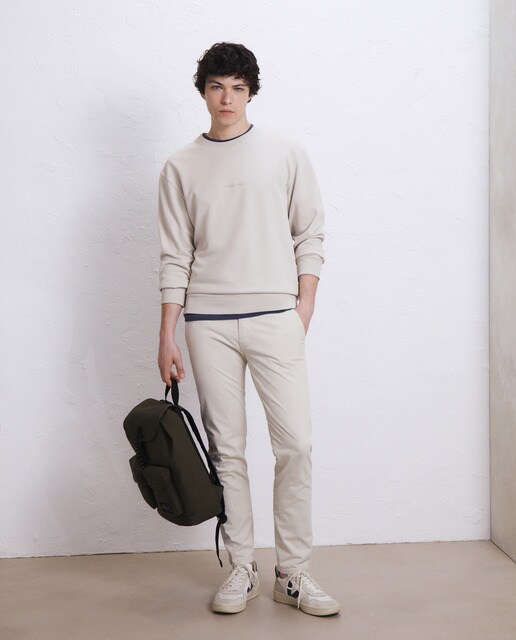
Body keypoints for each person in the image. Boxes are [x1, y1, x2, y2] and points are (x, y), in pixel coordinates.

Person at [157, 41, 340, 617]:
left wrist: (303, 307)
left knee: (296, 445)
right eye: (217, 86)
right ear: (203, 92)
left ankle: (293, 573)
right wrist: (166, 334)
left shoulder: (285, 153)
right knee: (227, 451)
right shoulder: (180, 167)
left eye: (237, 87)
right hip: (206, 323)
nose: (227, 98)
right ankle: (242, 566)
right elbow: (175, 256)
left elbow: (310, 232)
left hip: (275, 318)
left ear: (251, 93)